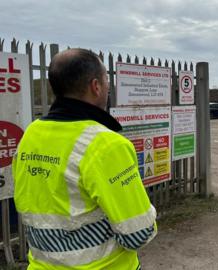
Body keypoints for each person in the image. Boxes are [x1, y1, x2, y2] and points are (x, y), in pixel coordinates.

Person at [12, 48, 157, 269]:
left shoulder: (31, 134)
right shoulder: (106, 145)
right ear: (96, 86)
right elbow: (139, 233)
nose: (108, 86)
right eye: (106, 79)